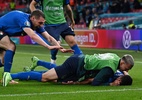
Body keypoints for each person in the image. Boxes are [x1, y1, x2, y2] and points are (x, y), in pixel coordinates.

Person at [0, 9, 73, 86]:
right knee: (11, 46)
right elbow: (33, 36)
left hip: (2, 33)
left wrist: (60, 48)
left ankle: (6, 75)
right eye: (40, 23)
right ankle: (7, 76)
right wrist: (47, 46)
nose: (41, 25)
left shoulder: (36, 24)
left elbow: (49, 38)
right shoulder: (23, 19)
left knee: (4, 60)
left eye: (43, 23)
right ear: (33, 18)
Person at [4, 53, 134, 86]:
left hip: (78, 62)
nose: (124, 70)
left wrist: (124, 72)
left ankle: (27, 71)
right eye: (125, 68)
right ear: (122, 62)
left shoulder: (114, 57)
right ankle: (11, 76)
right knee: (46, 78)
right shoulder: (111, 68)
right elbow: (95, 82)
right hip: (76, 65)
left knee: (52, 77)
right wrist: (109, 84)